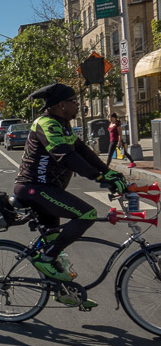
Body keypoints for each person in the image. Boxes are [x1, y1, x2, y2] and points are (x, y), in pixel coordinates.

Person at [15, 83, 127, 307]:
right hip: (34, 189)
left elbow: (84, 152)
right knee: (87, 214)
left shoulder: (63, 126)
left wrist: (109, 172)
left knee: (54, 244)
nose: (78, 104)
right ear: (61, 104)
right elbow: (65, 156)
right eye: (74, 101)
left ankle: (64, 292)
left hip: (47, 190)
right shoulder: (46, 124)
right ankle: (45, 259)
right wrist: (99, 178)